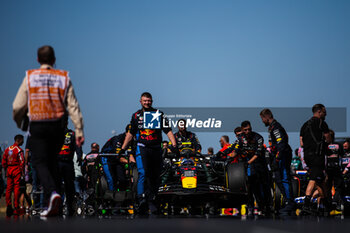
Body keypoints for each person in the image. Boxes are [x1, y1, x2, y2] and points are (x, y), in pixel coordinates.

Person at [12, 45, 85, 217]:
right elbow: (73, 106)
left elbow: (16, 107)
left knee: (39, 162)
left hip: (38, 124)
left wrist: (20, 123)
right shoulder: (63, 77)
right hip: (58, 126)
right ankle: (54, 206)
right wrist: (79, 130)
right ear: (54, 60)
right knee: (52, 161)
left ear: (38, 60)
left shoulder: (30, 77)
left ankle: (53, 193)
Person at [120, 92, 178, 215]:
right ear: (140, 101)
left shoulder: (159, 114)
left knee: (155, 175)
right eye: (144, 100)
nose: (147, 102)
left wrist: (174, 145)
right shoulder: (136, 115)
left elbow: (167, 130)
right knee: (143, 173)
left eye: (149, 100)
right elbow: (130, 133)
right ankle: (142, 200)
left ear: (152, 101)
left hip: (156, 149)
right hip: (143, 148)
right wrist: (123, 148)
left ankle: (153, 200)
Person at [260, 108, 294, 215]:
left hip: (283, 156)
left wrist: (277, 159)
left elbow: (282, 144)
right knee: (278, 180)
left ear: (266, 117)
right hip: (278, 156)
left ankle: (290, 203)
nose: (262, 121)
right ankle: (289, 202)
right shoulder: (271, 128)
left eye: (262, 119)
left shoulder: (276, 127)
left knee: (284, 178)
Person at [300, 104, 331, 213]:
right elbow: (328, 139)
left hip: (307, 156)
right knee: (313, 179)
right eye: (324, 111)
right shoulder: (321, 123)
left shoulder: (304, 125)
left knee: (321, 181)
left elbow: (301, 142)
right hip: (317, 156)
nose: (325, 114)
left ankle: (327, 204)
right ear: (319, 112)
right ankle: (306, 204)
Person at [100, 124, 136, 191]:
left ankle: (123, 196)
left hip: (117, 160)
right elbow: (118, 157)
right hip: (107, 158)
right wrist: (129, 162)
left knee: (122, 179)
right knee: (111, 179)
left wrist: (134, 164)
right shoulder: (118, 140)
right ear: (127, 133)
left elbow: (130, 154)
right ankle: (112, 196)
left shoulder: (131, 141)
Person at [57, 118, 79, 216]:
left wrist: (79, 155)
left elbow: (77, 146)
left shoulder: (72, 134)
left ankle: (70, 207)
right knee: (57, 186)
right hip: (57, 163)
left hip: (68, 163)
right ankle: (58, 207)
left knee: (69, 186)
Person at [1, 135, 25, 216]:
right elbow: (22, 162)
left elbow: (3, 161)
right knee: (16, 188)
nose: (23, 142)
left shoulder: (7, 149)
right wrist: (22, 173)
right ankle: (16, 207)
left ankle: (8, 206)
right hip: (16, 169)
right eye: (23, 140)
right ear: (20, 140)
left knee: (8, 189)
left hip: (9, 170)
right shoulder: (19, 150)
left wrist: (5, 168)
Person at [325, 130, 344, 211]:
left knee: (328, 186)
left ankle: (329, 203)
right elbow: (342, 155)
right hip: (336, 168)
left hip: (328, 168)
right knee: (339, 186)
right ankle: (335, 201)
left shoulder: (324, 145)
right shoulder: (338, 145)